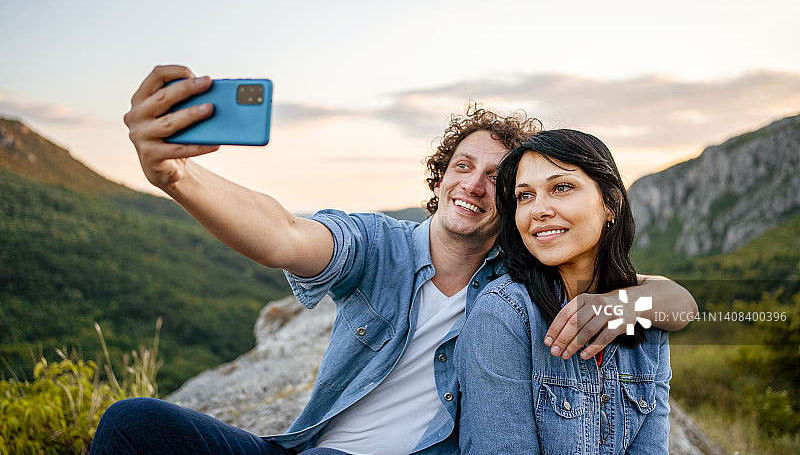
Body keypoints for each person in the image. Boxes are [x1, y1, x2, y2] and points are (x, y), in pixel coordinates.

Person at [91, 66, 696, 454]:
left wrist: (627, 304)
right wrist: (176, 175)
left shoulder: (519, 283)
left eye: (498, 180)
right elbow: (281, 234)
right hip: (308, 452)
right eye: (463, 166)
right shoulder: (379, 247)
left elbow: (676, 300)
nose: (475, 185)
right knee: (132, 424)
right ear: (439, 180)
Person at [456, 129, 673, 454]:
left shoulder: (643, 311)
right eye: (524, 196)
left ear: (610, 203)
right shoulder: (502, 316)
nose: (538, 210)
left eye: (561, 187)